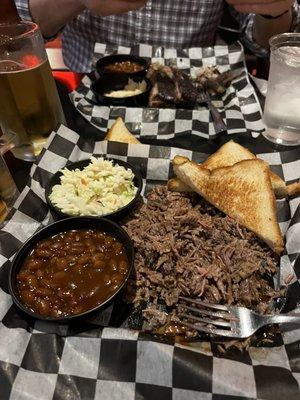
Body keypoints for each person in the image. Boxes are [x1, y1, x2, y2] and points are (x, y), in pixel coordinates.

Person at [16, 0, 299, 72]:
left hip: (195, 97)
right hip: (86, 93)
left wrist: (273, 12)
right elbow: (20, 30)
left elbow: (262, 44)